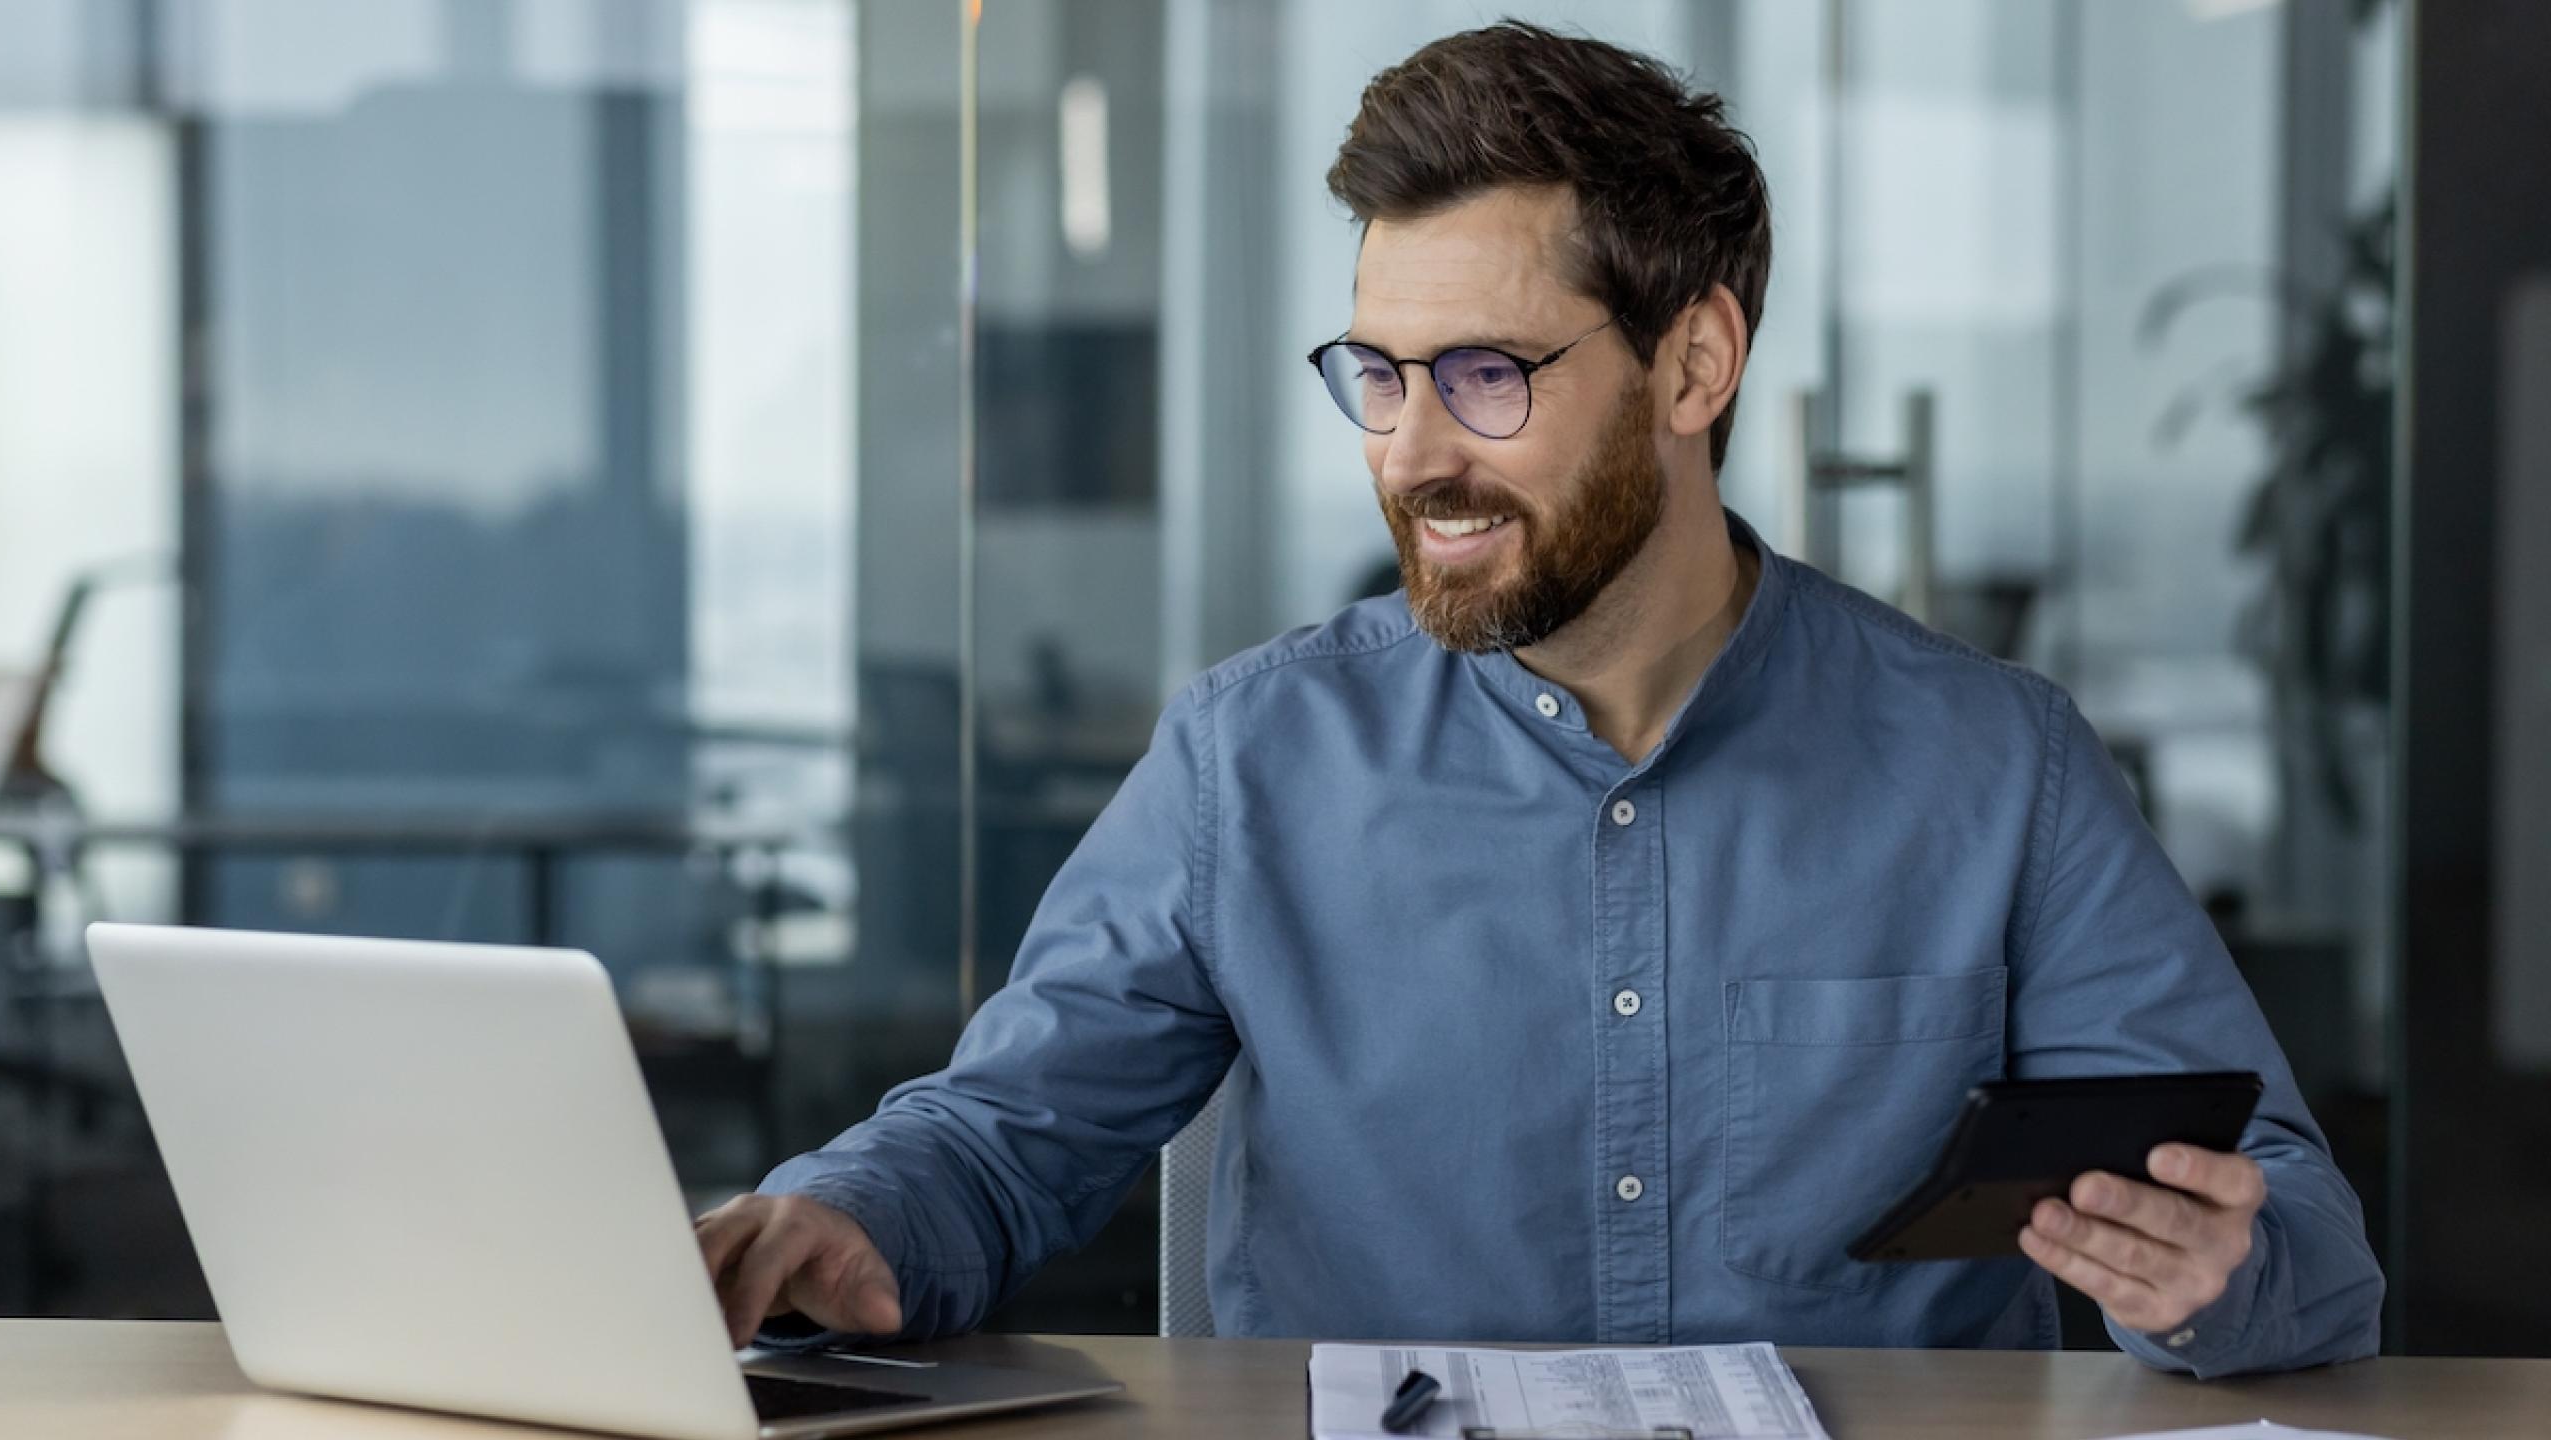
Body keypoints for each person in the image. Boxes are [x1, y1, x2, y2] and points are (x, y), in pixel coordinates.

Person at [697, 22, 2382, 1377]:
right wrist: (838, 1219)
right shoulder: (1252, 760)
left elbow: (2301, 1235)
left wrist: (2218, 1270)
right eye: (1379, 376)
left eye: (1488, 377)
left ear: (1693, 366)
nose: (1414, 451)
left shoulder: (1992, 767)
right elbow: (1000, 1142)